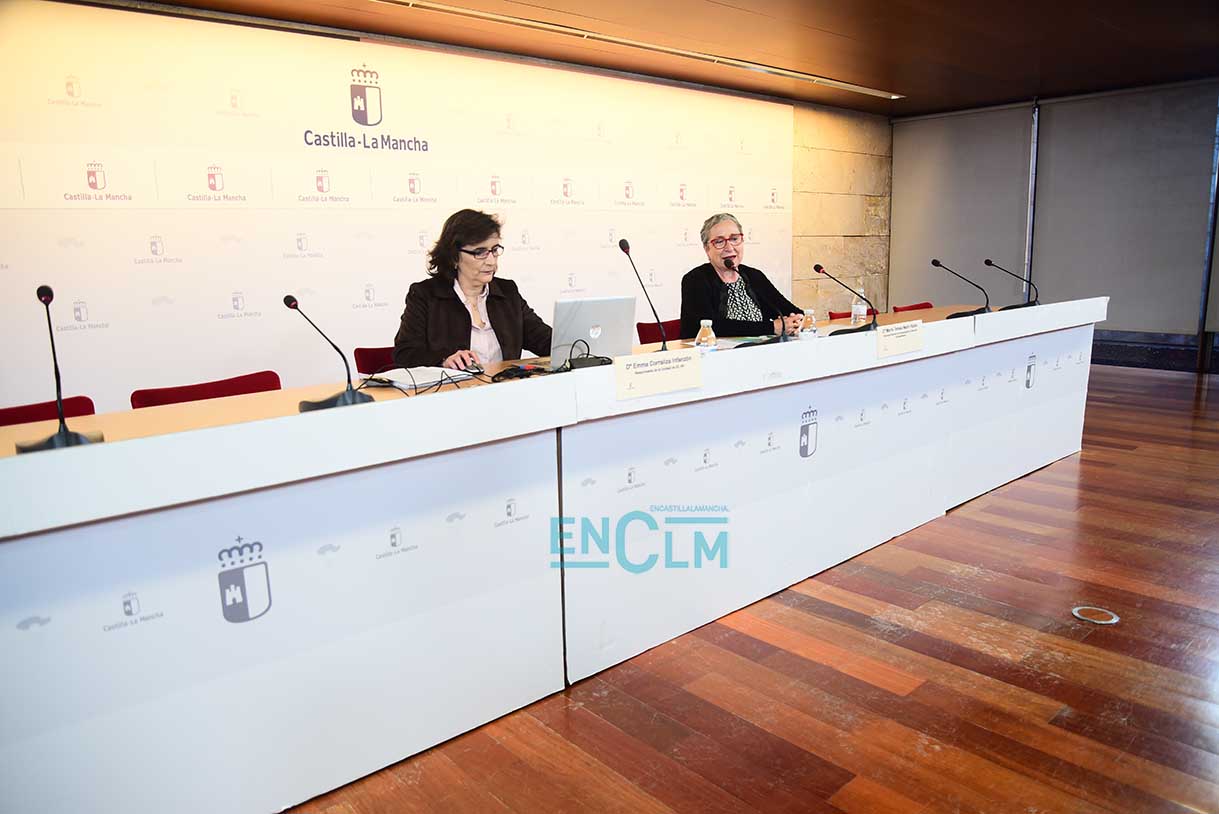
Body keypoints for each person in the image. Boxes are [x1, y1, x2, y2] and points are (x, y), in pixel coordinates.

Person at [392, 209, 552, 370]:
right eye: (480, 252)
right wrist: (443, 360)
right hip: (454, 385)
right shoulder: (425, 295)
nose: (491, 261)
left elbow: (543, 340)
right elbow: (405, 354)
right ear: (454, 256)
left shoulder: (507, 291)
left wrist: (566, 342)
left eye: (494, 250)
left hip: (505, 384)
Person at [679, 213, 803, 339]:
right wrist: (771, 328)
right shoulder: (696, 279)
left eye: (734, 239)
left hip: (762, 348)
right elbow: (708, 326)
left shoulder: (754, 276)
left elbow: (788, 310)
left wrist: (796, 321)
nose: (729, 247)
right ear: (707, 249)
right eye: (719, 241)